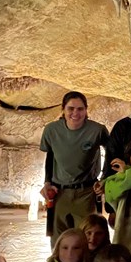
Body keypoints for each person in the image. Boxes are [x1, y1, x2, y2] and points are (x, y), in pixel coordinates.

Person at [40, 91, 109, 247]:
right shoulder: (51, 130)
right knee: (59, 241)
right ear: (63, 109)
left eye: (80, 109)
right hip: (60, 193)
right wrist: (47, 182)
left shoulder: (97, 130)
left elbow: (111, 153)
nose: (75, 113)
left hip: (86, 193)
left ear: (86, 110)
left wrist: (105, 178)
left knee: (89, 240)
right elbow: (50, 156)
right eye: (71, 108)